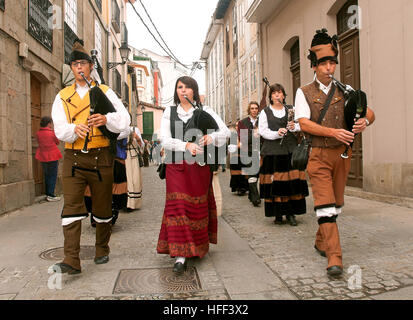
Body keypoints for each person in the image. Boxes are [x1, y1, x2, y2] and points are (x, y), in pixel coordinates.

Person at [295, 29, 375, 276]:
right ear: (314, 66)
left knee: (336, 204)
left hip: (342, 156)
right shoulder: (304, 92)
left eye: (332, 62)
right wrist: (333, 132)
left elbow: (368, 112)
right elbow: (303, 123)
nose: (329, 67)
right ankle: (334, 256)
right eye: (324, 63)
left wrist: (365, 122)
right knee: (325, 204)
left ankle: (321, 241)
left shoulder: (345, 89)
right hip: (317, 155)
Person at [51, 39, 130, 274]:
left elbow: (124, 122)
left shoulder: (104, 92)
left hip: (101, 157)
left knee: (103, 208)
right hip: (73, 159)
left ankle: (101, 249)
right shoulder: (62, 96)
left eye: (83, 63)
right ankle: (71, 259)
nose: (79, 68)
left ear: (90, 67)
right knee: (71, 208)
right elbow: (58, 129)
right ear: (71, 68)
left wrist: (106, 119)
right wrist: (74, 129)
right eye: (75, 64)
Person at [157, 76, 230, 273]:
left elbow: (225, 132)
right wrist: (185, 145)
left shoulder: (205, 110)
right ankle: (180, 255)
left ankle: (196, 247)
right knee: (179, 206)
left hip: (199, 167)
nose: (183, 90)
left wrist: (211, 137)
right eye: (180, 87)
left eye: (188, 87)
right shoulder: (169, 112)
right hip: (175, 166)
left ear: (194, 91)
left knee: (196, 206)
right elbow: (163, 139)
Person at [259, 83, 309, 226]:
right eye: (274, 93)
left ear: (283, 95)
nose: (277, 95)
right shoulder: (265, 112)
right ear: (271, 97)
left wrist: (295, 127)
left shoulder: (291, 110)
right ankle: (278, 214)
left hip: (290, 151)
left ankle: (291, 213)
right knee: (276, 184)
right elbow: (263, 131)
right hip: (273, 153)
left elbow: (302, 124)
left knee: (292, 184)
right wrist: (276, 133)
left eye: (279, 93)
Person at [237, 101, 261, 207]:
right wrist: (255, 134)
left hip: (260, 151)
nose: (254, 110)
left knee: (256, 174)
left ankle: (252, 195)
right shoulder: (242, 123)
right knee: (252, 174)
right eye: (252, 108)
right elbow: (243, 138)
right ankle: (256, 198)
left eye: (256, 108)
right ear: (249, 110)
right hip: (247, 151)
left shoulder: (262, 121)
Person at [35, 116, 62, 202]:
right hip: (53, 156)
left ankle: (48, 193)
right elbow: (57, 142)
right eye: (51, 123)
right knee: (53, 175)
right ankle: (51, 195)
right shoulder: (51, 133)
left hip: (43, 156)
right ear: (49, 123)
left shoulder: (38, 133)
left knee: (46, 175)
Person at [125, 126, 144, 211]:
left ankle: (133, 203)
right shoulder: (117, 128)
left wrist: (137, 138)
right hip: (121, 157)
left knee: (134, 180)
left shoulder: (135, 130)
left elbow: (141, 145)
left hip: (133, 157)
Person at [229, 124, 249, 196]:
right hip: (235, 157)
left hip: (243, 156)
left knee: (243, 173)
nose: (238, 127)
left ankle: (243, 188)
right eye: (237, 126)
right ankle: (237, 188)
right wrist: (237, 146)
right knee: (235, 173)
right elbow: (230, 148)